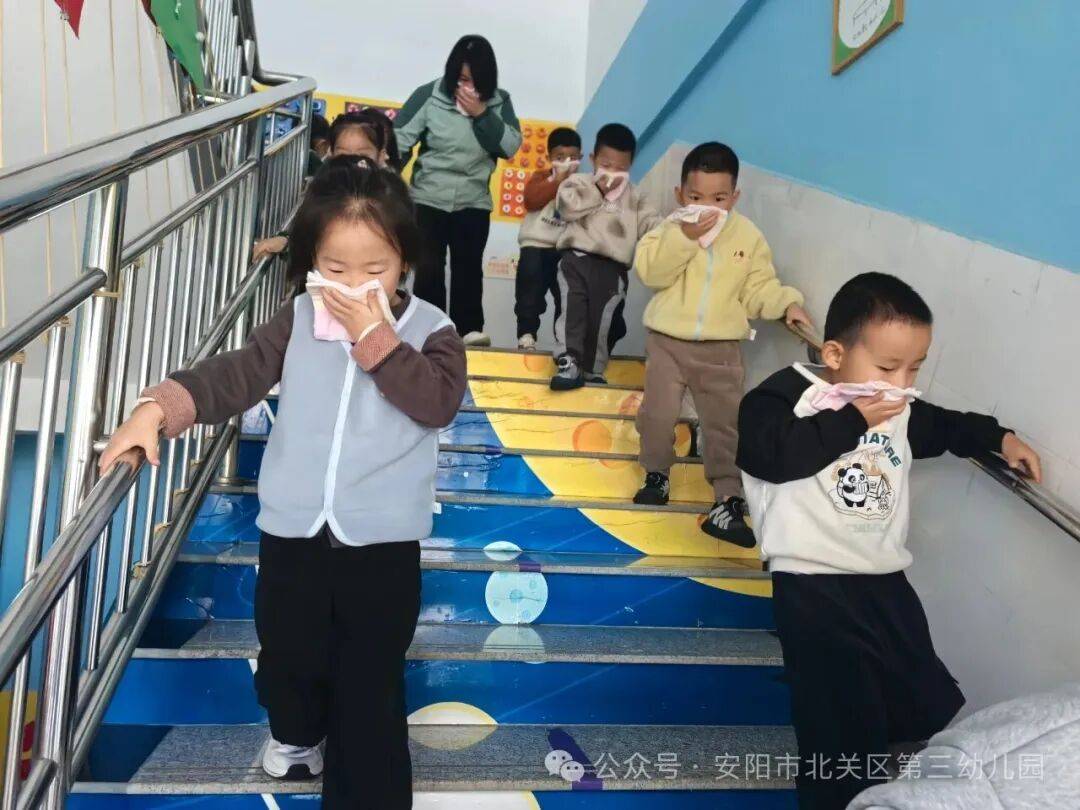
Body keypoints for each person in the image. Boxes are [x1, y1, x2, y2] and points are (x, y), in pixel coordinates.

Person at [100, 156, 467, 809]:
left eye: (375, 269)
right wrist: (157, 408)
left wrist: (375, 338)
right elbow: (237, 373)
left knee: (370, 691)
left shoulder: (432, 330)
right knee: (288, 663)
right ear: (309, 262)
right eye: (334, 268)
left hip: (382, 545)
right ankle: (297, 734)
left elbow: (436, 403)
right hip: (293, 533)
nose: (352, 286)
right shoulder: (298, 317)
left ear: (405, 261)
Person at [736, 272, 1042, 810]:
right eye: (886, 367)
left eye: (914, 368)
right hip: (811, 585)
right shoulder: (783, 399)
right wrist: (852, 419)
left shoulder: (893, 405)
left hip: (882, 579)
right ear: (834, 353)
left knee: (919, 695)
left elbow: (942, 426)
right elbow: (775, 457)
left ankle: (883, 786)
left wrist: (1000, 437)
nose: (901, 384)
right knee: (836, 721)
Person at [633, 142, 812, 544]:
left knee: (725, 424)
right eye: (696, 197)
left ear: (734, 197)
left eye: (719, 198)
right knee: (658, 414)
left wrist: (787, 304)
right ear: (680, 194)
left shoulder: (747, 236)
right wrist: (685, 238)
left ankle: (727, 500)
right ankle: (656, 473)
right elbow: (652, 273)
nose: (708, 207)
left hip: (721, 350)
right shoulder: (667, 229)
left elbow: (758, 287)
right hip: (667, 342)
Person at [395, 34, 522, 347]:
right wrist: (387, 180)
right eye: (462, 79)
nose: (467, 87)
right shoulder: (429, 95)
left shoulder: (500, 101)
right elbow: (398, 140)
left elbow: (509, 146)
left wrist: (482, 113)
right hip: (427, 198)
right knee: (428, 270)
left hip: (473, 200)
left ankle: (468, 330)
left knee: (468, 269)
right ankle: (431, 331)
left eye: (475, 81)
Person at [551, 123, 660, 389]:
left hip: (613, 267)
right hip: (576, 258)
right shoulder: (579, 183)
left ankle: (593, 369)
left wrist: (677, 229)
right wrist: (598, 190)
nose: (612, 173)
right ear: (593, 159)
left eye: (620, 168)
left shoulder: (635, 196)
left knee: (602, 319)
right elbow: (565, 207)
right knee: (573, 310)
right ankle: (569, 361)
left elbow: (653, 225)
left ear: (630, 166)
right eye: (606, 165)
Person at [253, 110, 399, 264]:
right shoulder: (323, 190)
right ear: (331, 153)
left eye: (363, 155)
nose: (352, 162)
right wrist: (285, 242)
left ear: (381, 156)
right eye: (343, 155)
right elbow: (308, 229)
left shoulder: (390, 196)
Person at [514, 126, 582, 350]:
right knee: (529, 293)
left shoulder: (583, 185)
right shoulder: (541, 177)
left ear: (581, 158)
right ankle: (526, 334)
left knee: (566, 298)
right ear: (549, 158)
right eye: (560, 158)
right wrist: (558, 180)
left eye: (572, 158)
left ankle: (563, 341)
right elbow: (531, 200)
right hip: (535, 246)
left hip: (565, 249)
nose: (566, 163)